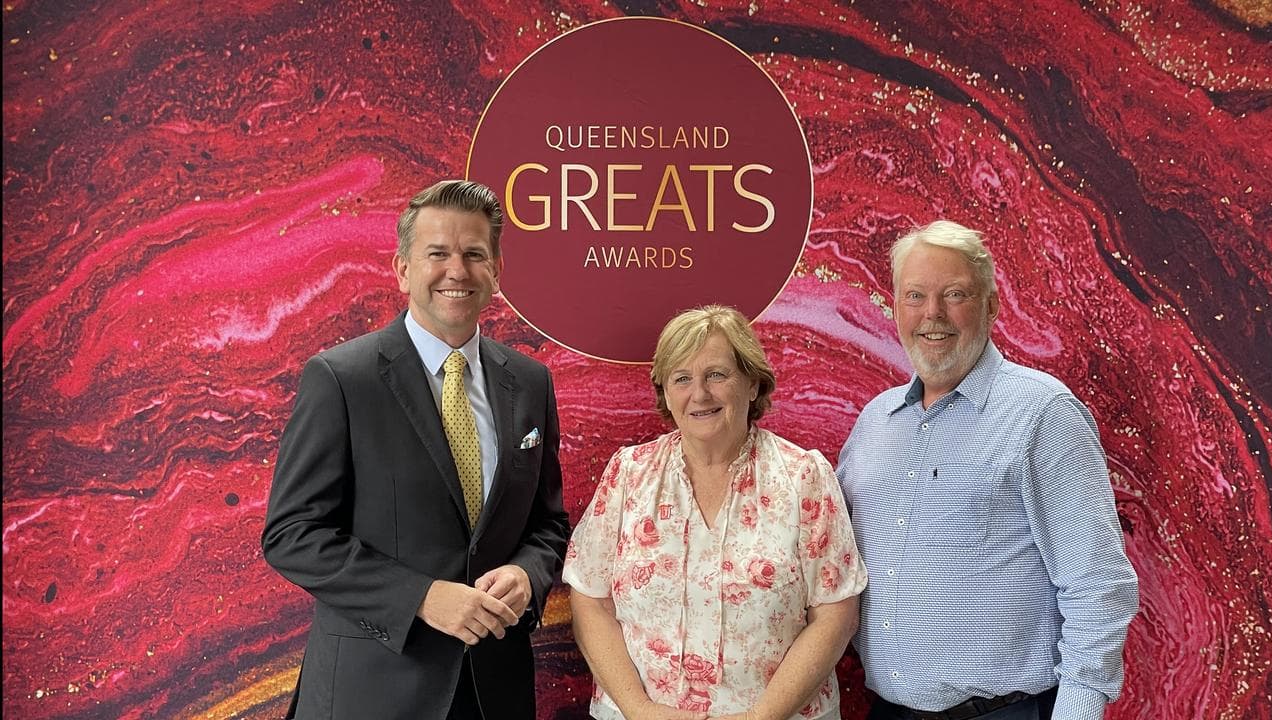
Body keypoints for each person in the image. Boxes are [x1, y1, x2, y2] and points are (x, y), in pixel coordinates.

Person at [262, 180, 569, 719]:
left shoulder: (531, 382)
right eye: (438, 254)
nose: (458, 270)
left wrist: (527, 575)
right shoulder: (340, 378)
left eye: (475, 254)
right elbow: (292, 535)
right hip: (372, 692)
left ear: (496, 269)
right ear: (402, 269)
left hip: (495, 692)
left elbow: (547, 525)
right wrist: (423, 597)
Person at [836, 220, 1139, 720]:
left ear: (992, 306)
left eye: (954, 294)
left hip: (1003, 711)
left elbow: (1097, 585)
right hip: (886, 710)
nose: (932, 314)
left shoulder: (1042, 411)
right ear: (895, 308)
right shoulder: (875, 420)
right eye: (915, 295)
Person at [564, 305, 868, 720]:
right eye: (682, 378)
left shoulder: (803, 477)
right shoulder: (629, 474)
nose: (700, 394)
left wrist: (760, 718)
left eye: (717, 375)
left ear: (753, 384)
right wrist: (638, 709)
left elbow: (835, 616)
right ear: (665, 392)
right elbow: (590, 602)